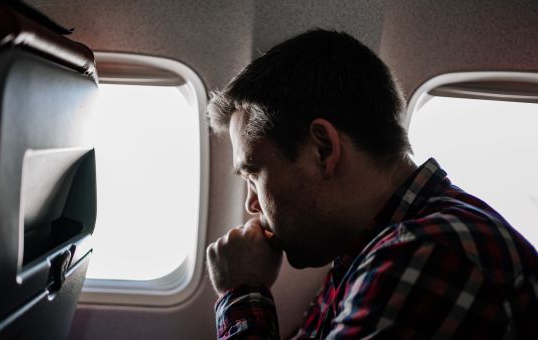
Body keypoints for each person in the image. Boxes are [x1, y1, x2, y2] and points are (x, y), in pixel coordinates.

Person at [205, 29, 538, 339]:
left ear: (323, 150)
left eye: (253, 174)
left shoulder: (424, 254)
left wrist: (242, 292)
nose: (251, 204)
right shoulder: (369, 250)